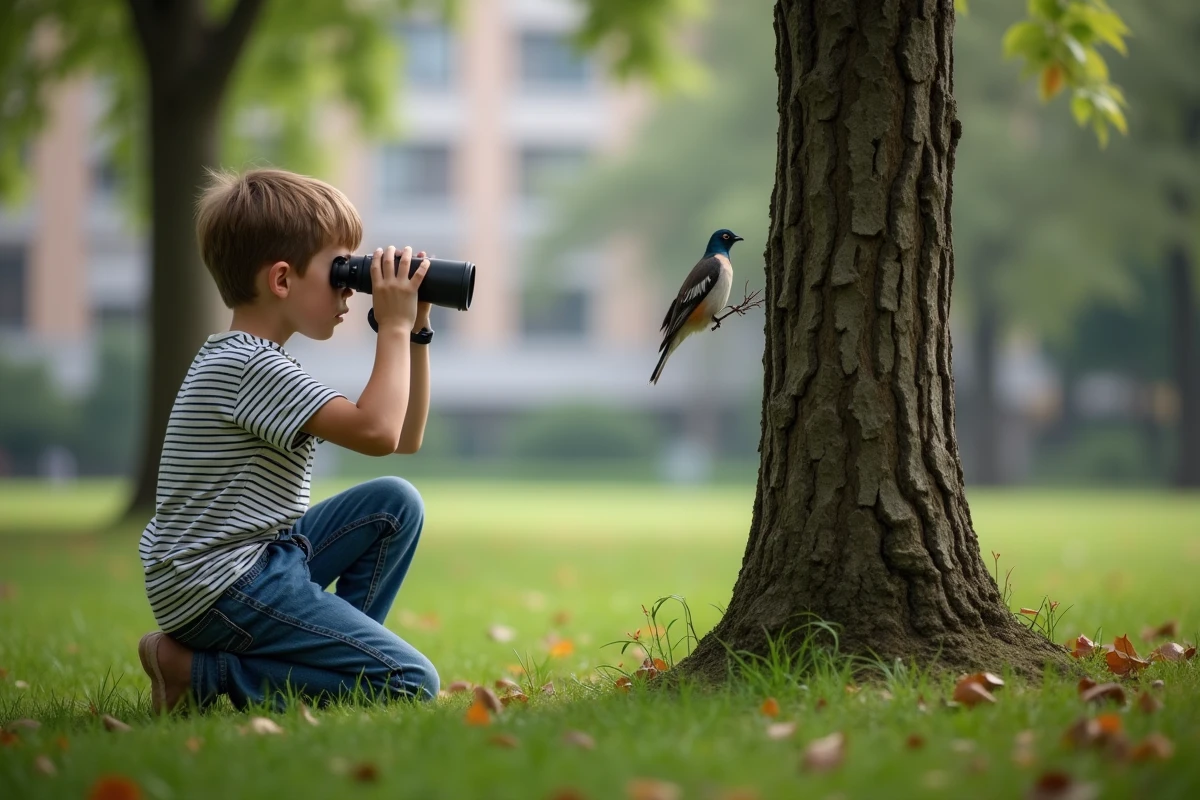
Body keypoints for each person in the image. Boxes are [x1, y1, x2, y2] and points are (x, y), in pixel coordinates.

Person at [137, 167, 440, 713]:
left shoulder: (250, 361)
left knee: (395, 503)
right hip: (220, 582)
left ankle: (340, 660)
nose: (351, 286)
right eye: (339, 270)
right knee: (410, 682)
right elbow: (376, 430)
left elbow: (403, 438)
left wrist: (413, 331)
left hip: (251, 560)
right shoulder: (248, 366)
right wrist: (391, 328)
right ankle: (194, 672)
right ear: (282, 280)